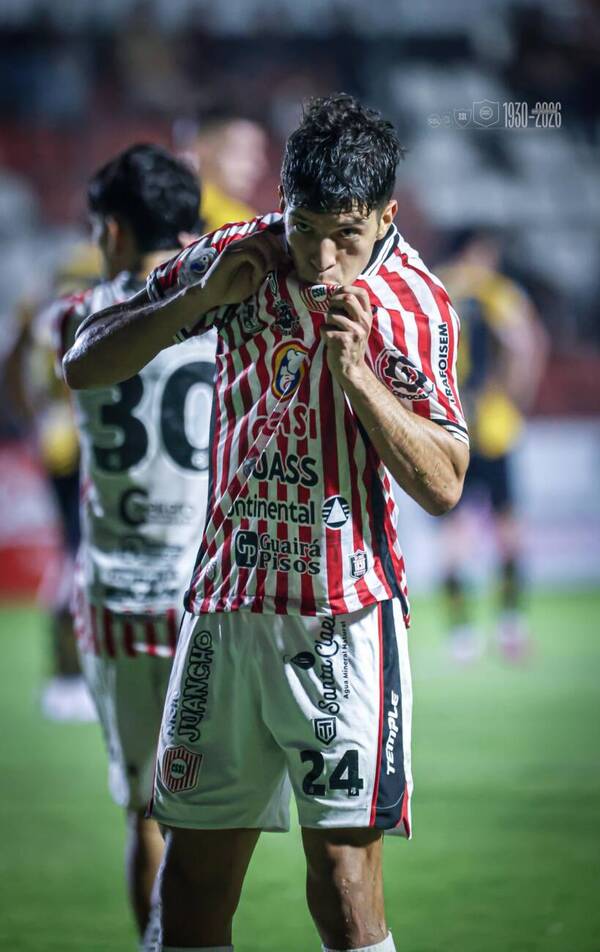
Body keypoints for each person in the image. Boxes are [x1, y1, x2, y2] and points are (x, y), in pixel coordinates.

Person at [64, 95, 470, 952]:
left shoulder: (415, 306)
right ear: (280, 199)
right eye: (305, 227)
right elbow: (83, 360)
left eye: (346, 236)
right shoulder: (237, 256)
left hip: (340, 621)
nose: (321, 259)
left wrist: (360, 382)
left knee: (344, 888)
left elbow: (444, 483)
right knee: (193, 888)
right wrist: (193, 303)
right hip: (223, 615)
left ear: (388, 216)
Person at [54, 144, 216, 944]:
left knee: (145, 809)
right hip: (208, 594)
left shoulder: (74, 316)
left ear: (113, 233)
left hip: (118, 597)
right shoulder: (226, 311)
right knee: (211, 814)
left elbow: (32, 389)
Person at [438, 228, 548, 661]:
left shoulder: (436, 285)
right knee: (508, 533)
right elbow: (528, 346)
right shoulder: (497, 292)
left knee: (453, 538)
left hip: (450, 430)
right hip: (494, 429)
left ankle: (461, 636)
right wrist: (516, 399)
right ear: (479, 252)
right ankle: (509, 628)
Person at [180, 107, 269, 233]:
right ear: (204, 150)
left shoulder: (242, 217)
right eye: (245, 153)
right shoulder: (235, 224)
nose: (260, 165)